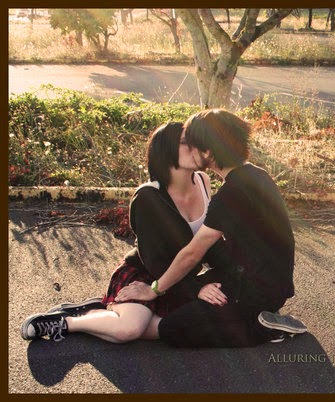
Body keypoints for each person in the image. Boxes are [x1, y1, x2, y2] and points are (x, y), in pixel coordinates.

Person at [115, 108, 307, 347]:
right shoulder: (257, 175)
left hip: (252, 289)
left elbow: (193, 252)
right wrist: (197, 287)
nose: (190, 149)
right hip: (268, 283)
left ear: (208, 151)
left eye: (192, 144)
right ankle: (257, 318)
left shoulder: (231, 193)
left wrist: (152, 290)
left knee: (173, 327)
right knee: (186, 297)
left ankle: (260, 328)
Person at [21, 122, 217, 343]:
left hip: (180, 277)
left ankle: (102, 310)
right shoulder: (148, 197)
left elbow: (209, 240)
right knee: (129, 330)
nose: (195, 148)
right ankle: (68, 321)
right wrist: (194, 289)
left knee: (182, 327)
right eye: (184, 142)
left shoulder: (203, 181)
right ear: (166, 149)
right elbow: (154, 260)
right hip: (146, 276)